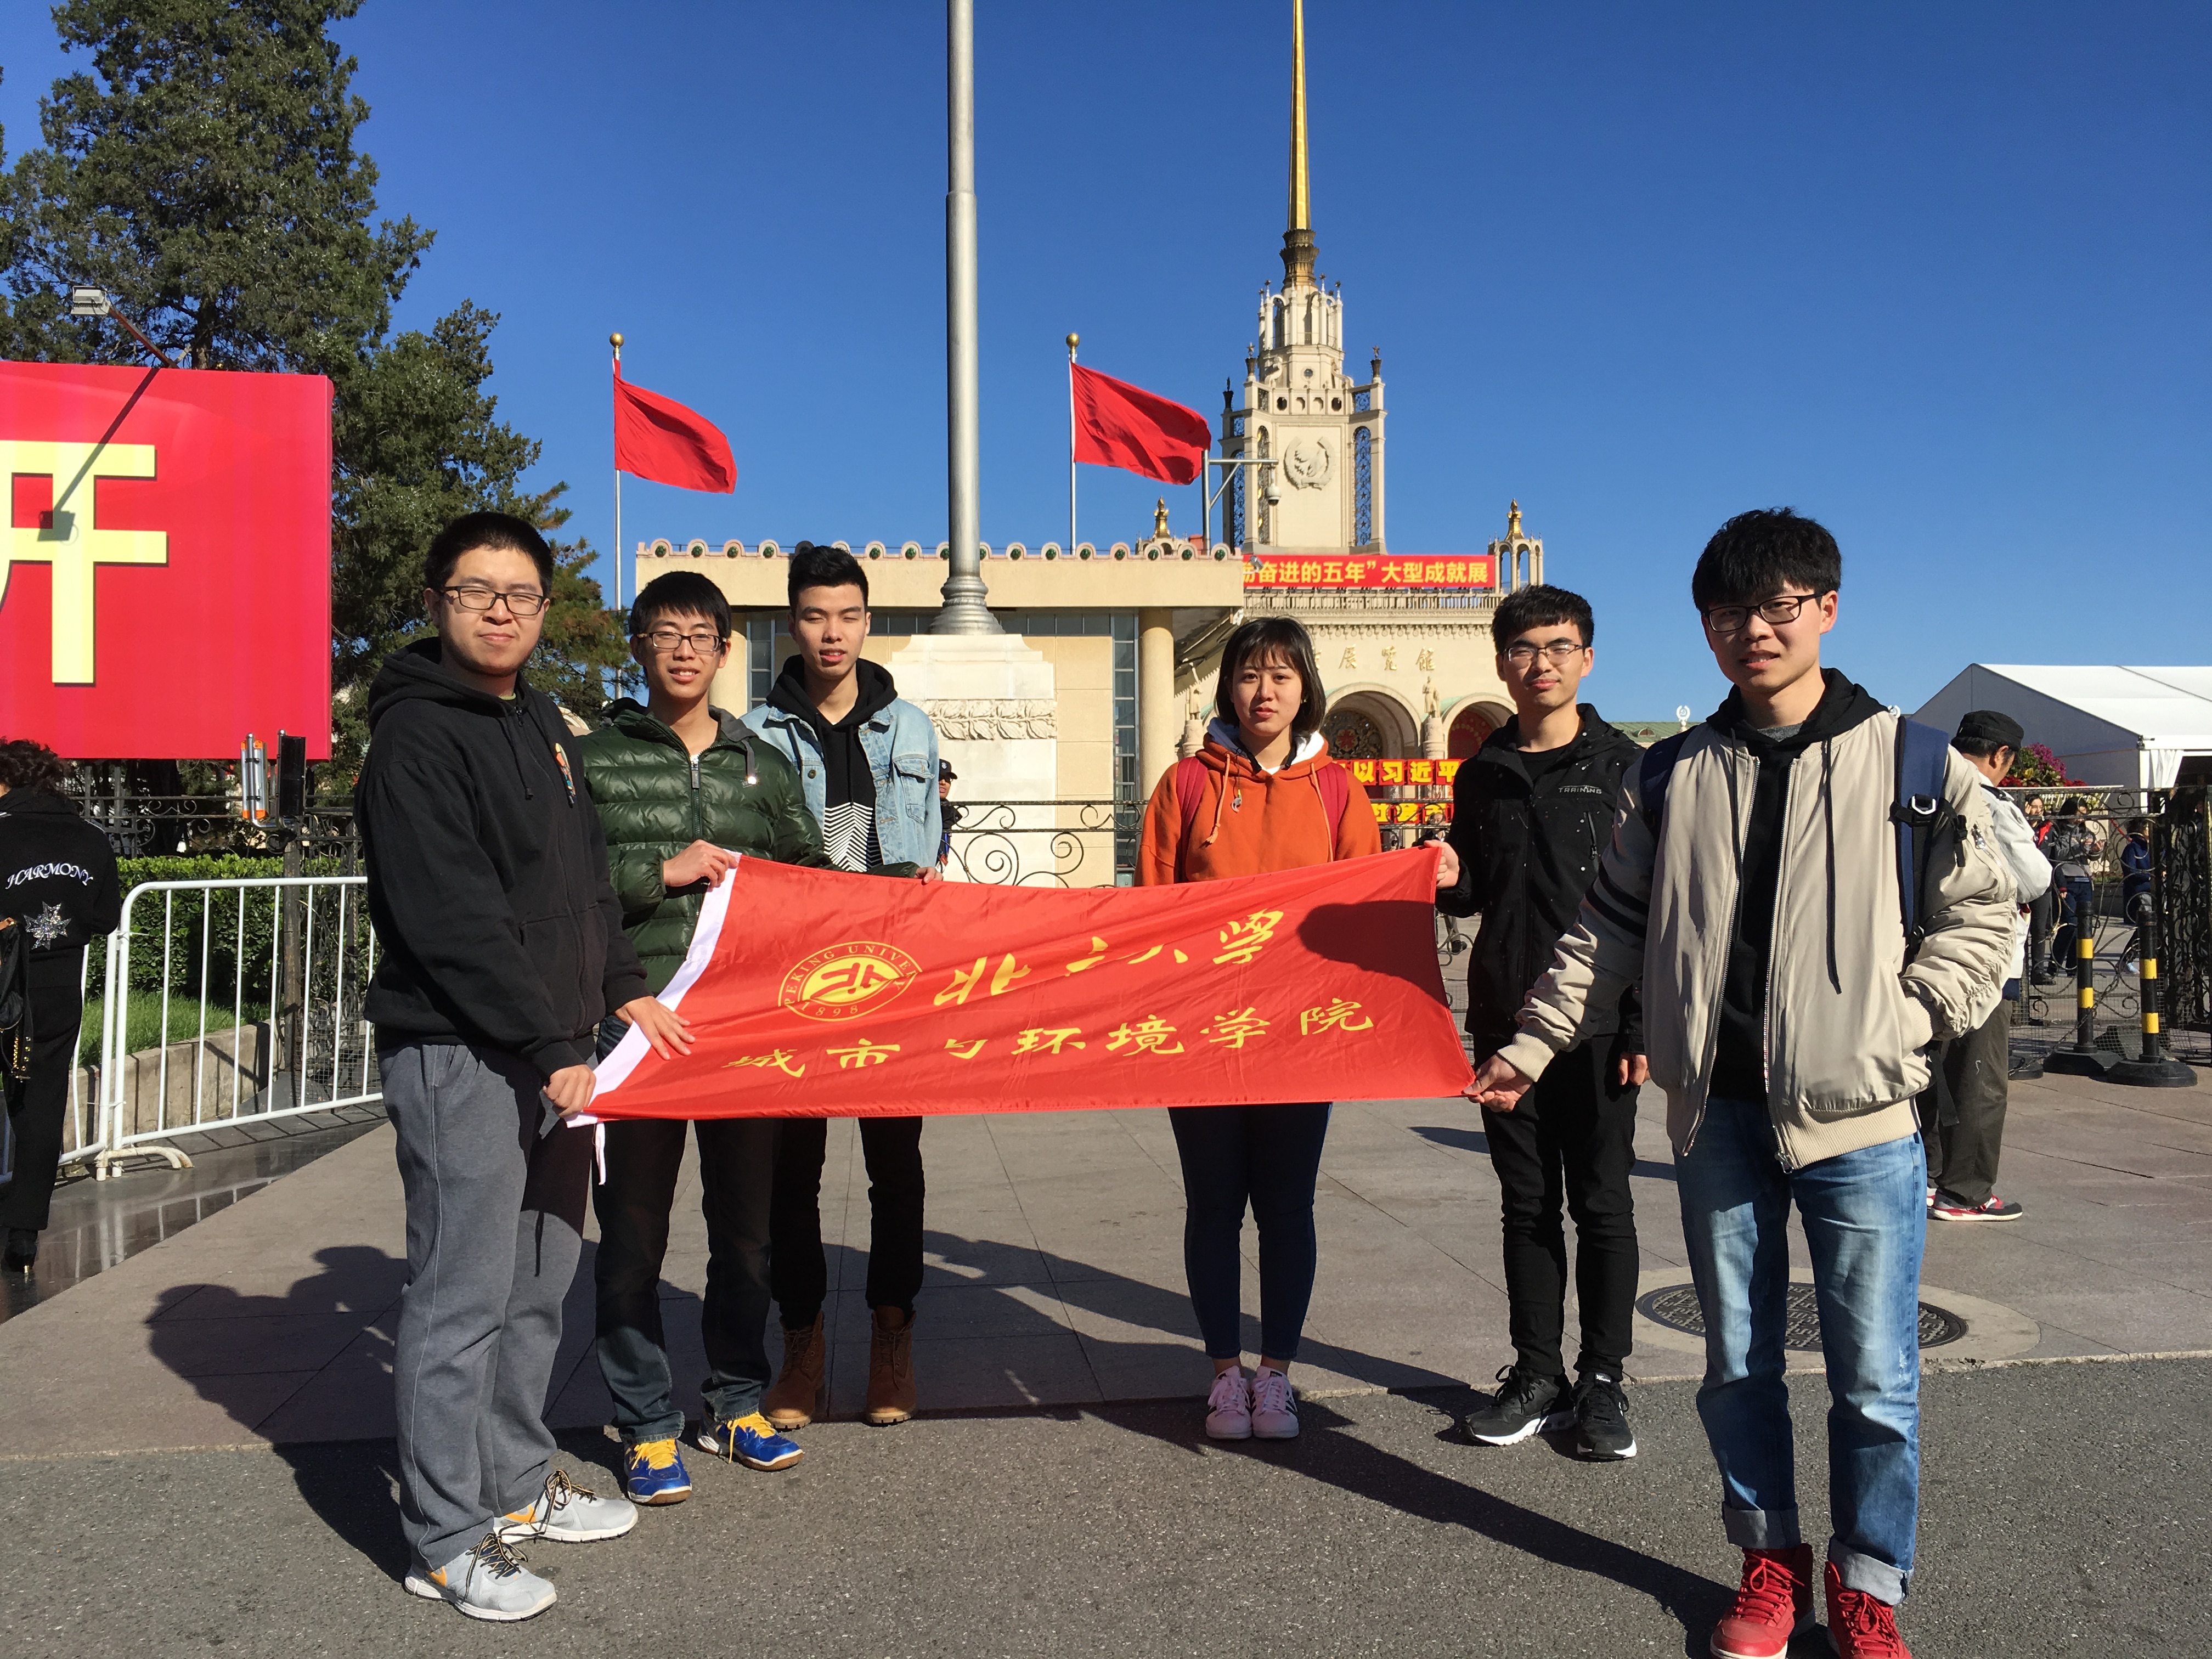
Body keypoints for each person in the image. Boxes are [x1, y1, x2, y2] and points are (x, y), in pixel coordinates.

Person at [1468, 510, 2012, 1659]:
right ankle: (1768, 1565)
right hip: (1716, 1116)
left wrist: (1908, 1016)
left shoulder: (1912, 760)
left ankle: (1867, 1585)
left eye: (1777, 606)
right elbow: (1606, 929)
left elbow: (1991, 905)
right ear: (1706, 628)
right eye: (1728, 612)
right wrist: (1532, 1042)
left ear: (1825, 609)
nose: (1753, 630)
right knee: (1738, 1368)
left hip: (1863, 1122)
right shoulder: (1673, 773)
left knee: (1876, 1380)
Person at [356, 511, 689, 1622]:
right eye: (476, 591)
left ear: (544, 609)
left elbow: (585, 878)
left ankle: (511, 1481)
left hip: (559, 1052)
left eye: (521, 594)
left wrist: (621, 987)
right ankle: (445, 1537)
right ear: (437, 602)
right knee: (460, 1298)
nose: (500, 611)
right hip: (464, 1052)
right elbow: (450, 918)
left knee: (539, 1283)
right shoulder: (416, 738)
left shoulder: (541, 719)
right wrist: (551, 1045)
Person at [1138, 616, 1455, 1442]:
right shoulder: (1185, 785)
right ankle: (1224, 1374)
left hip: (1301, 1036)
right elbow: (1149, 912)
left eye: (1282, 675)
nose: (1265, 691)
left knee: (1287, 1208)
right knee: (1213, 1207)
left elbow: (1366, 907)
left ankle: (1275, 1374)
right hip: (1205, 1036)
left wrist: (1425, 870)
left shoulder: (1338, 790)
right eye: (1250, 675)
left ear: (1306, 687)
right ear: (1228, 687)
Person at [578, 571, 832, 1504]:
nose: (683, 650)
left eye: (700, 635)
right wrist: (662, 870)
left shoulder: (761, 762)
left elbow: (812, 876)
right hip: (635, 1023)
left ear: (726, 651)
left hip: (741, 1031)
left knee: (747, 1236)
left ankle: (734, 1402)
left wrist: (900, 895)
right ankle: (647, 1424)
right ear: (638, 646)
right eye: (665, 633)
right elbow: (567, 886)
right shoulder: (594, 761)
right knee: (632, 1239)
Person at [1434, 585, 1647, 1460]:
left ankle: (1603, 1381)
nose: (1541, 664)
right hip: (1502, 1017)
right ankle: (1535, 1375)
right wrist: (1450, 876)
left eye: (1559, 647)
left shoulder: (1626, 767)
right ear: (1501, 664)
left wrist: (1639, 1027)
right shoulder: (1481, 770)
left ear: (1587, 659)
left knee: (1602, 1205)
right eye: (1523, 649)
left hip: (1597, 1026)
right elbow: (1475, 891)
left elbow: (1653, 908)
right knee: (1525, 1205)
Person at [739, 542, 941, 1429]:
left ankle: (892, 1337)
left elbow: (928, 840)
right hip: (794, 980)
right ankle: (803, 1342)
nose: (833, 632)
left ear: (867, 621)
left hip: (893, 976)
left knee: (897, 1168)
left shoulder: (911, 728)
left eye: (849, 616)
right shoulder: (756, 732)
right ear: (794, 622)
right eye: (816, 615)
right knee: (793, 1172)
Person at [1922, 711, 2049, 1224]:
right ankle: (1966, 1191)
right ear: (2000, 755)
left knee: (1928, 1068)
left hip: (1922, 954)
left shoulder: (1922, 788)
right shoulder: (1989, 800)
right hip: (1982, 960)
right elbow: (2035, 878)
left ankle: (1925, 1174)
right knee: (1979, 1074)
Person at [0, 739, 121, 1272]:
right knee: (42, 1104)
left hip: (4, 978)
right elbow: (106, 917)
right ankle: (24, 1234)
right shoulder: (90, 839)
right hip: (57, 988)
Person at [2043, 797, 2100, 972]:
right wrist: (2078, 847)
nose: (2080, 819)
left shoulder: (2086, 832)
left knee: (2084, 925)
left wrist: (2096, 850)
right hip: (2067, 880)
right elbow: (2057, 855)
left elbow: (2091, 856)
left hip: (2085, 880)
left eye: (2083, 815)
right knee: (2071, 923)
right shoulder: (2058, 831)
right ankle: (2055, 964)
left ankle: (2075, 966)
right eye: (2077, 814)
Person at [2119, 817, 2151, 972]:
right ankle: (2127, 960)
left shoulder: (2152, 847)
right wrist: (2150, 876)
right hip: (2140, 892)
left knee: (2154, 928)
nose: (2150, 830)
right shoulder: (2132, 849)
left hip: (2155, 892)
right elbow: (2131, 872)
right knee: (2145, 927)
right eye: (2147, 827)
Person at [935, 759, 963, 873]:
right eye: (939, 777)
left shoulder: (949, 813)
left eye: (947, 779)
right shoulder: (921, 811)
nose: (943, 782)